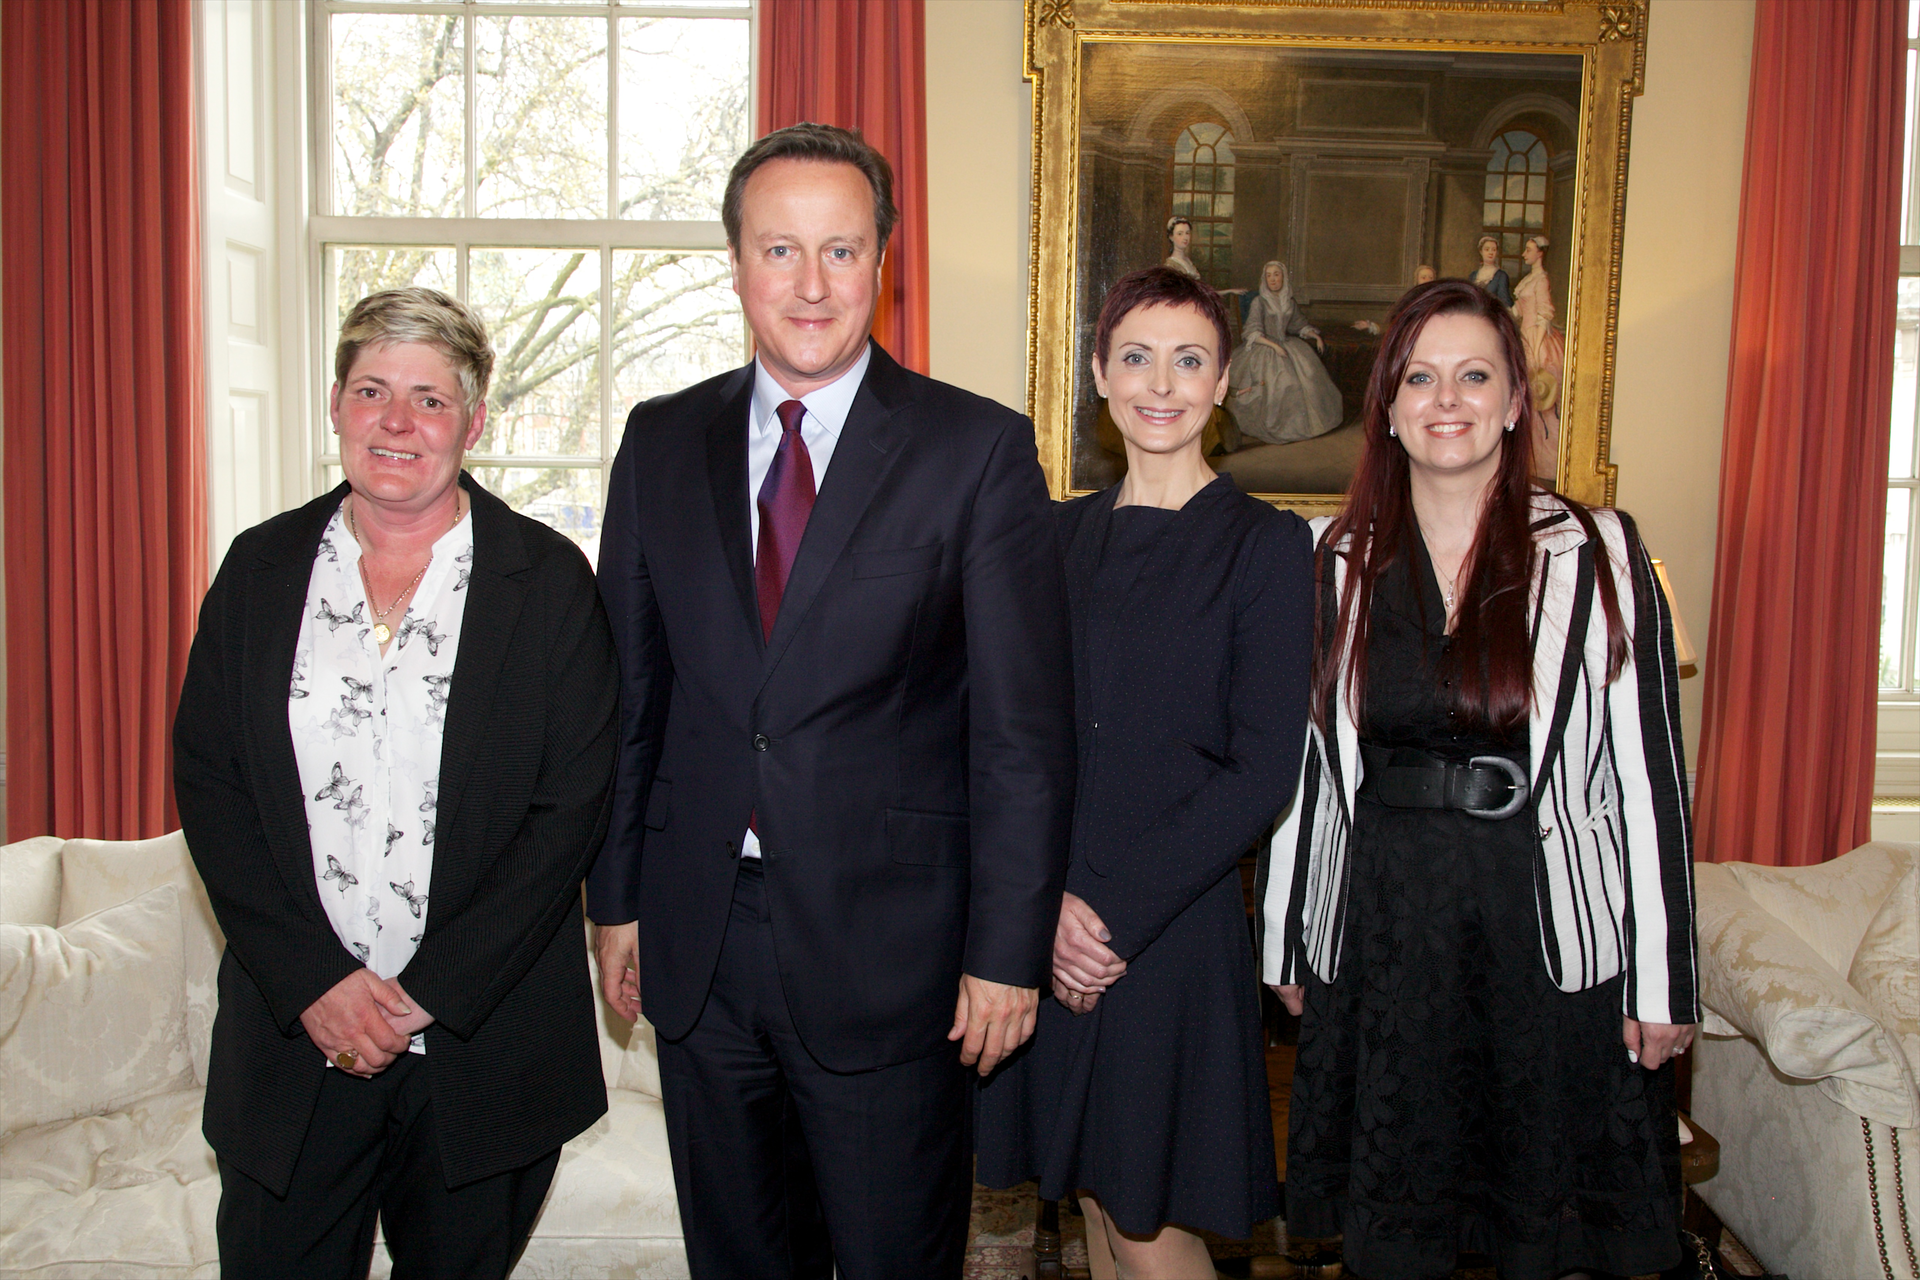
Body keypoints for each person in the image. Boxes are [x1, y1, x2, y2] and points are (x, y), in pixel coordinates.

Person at [586, 122, 1076, 1280]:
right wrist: (616, 899)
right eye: (780, 250)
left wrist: (1006, 951)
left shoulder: (979, 451)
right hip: (701, 944)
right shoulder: (660, 442)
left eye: (841, 251)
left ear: (882, 260)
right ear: (737, 260)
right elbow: (631, 695)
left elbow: (1022, 734)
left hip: (894, 954)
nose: (811, 286)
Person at [173, 288, 619, 1279]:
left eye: (429, 396)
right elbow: (211, 783)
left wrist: (426, 991)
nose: (398, 422)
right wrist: (317, 984)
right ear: (336, 404)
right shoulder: (259, 569)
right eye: (373, 389)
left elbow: (569, 809)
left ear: (475, 417)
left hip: (483, 1041)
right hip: (298, 1036)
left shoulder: (547, 582)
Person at [1262, 278, 1696, 1279]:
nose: (1445, 399)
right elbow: (1315, 773)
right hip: (1387, 935)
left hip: (1549, 936)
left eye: (1473, 375)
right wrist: (1288, 938)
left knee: (1542, 1231)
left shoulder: (1601, 550)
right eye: (1420, 376)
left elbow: (1650, 781)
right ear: (1389, 404)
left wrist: (1664, 977)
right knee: (1403, 1231)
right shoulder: (1337, 561)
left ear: (1513, 401)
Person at [976, 266, 1313, 1278]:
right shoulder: (1053, 533)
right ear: (1098, 371)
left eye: (1188, 358)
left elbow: (1261, 769)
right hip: (1051, 917)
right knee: (1085, 1192)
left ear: (1225, 384)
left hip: (1161, 933)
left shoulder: (1267, 545)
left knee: (1142, 1212)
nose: (1159, 382)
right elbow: (1010, 732)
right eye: (1135, 355)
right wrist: (1045, 907)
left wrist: (1105, 915)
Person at [1228, 259, 1344, 445]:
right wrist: (1274, 346)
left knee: (1310, 375)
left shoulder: (1288, 301)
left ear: (1283, 277)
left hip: (1287, 344)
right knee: (1283, 384)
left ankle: (1306, 426)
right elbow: (1252, 331)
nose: (1273, 279)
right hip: (1264, 348)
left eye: (1277, 275)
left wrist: (1316, 336)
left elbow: (1298, 324)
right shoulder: (1260, 301)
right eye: (1269, 275)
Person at [1512, 233, 1567, 461]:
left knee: (1539, 396)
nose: (1525, 253)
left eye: (1529, 249)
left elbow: (1545, 311)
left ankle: (1545, 460)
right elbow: (1516, 311)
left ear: (1540, 254)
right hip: (1525, 333)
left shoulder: (1541, 279)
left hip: (1536, 337)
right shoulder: (1529, 280)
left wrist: (1536, 348)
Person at [1469, 233, 1514, 306]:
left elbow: (1505, 302)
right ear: (1481, 251)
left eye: (1494, 250)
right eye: (1487, 249)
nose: (1490, 253)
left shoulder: (1501, 276)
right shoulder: (1473, 275)